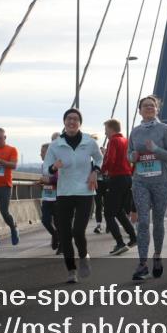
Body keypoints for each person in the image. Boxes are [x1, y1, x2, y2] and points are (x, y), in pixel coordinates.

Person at [44, 108, 102, 282]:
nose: (72, 121)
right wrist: (54, 167)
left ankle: (83, 256)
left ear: (80, 123)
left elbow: (99, 159)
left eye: (75, 119)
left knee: (78, 231)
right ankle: (71, 270)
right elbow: (46, 167)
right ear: (64, 122)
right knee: (65, 234)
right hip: (64, 193)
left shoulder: (89, 142)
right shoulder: (56, 145)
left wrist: (95, 171)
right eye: (69, 119)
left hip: (85, 191)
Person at [127, 95, 167, 280]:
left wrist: (156, 149)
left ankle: (157, 255)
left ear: (157, 109)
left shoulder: (164, 129)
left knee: (158, 221)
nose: (148, 108)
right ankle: (142, 264)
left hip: (162, 182)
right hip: (140, 181)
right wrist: (133, 156)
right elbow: (129, 155)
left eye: (152, 106)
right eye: (145, 106)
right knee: (142, 221)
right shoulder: (135, 132)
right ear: (139, 110)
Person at [102, 119, 138, 256]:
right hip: (127, 178)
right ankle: (134, 238)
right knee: (119, 211)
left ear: (111, 129)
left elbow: (110, 159)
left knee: (108, 213)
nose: (105, 133)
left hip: (116, 178)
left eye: (106, 130)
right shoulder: (126, 141)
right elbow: (133, 160)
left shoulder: (113, 141)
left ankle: (120, 243)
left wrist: (102, 170)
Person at [37, 143, 59, 252]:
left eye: (42, 152)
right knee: (45, 221)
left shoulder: (57, 164)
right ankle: (55, 234)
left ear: (48, 153)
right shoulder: (43, 165)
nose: (40, 154)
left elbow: (58, 179)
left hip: (57, 198)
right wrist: (41, 182)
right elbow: (46, 180)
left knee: (59, 223)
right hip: (46, 197)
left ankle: (62, 247)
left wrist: (47, 180)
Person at [91, 133, 104, 234]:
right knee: (98, 204)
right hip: (97, 183)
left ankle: (109, 223)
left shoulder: (102, 154)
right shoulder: (89, 158)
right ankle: (99, 225)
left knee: (107, 204)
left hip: (106, 182)